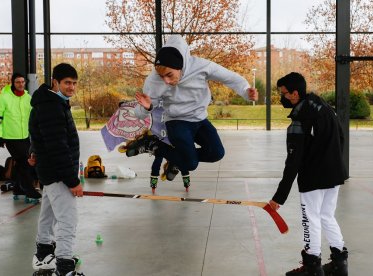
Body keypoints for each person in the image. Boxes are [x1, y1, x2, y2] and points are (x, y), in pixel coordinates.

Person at [124, 35, 258, 178]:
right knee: (190, 164)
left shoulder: (202, 66)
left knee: (217, 153)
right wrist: (148, 107)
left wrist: (245, 91)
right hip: (177, 121)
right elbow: (140, 112)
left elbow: (230, 78)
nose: (166, 81)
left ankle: (177, 159)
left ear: (180, 66)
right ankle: (152, 143)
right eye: (162, 76)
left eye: (169, 75)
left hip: (200, 119)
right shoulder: (153, 80)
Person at [268, 72, 348, 276]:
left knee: (310, 218)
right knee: (326, 215)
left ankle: (312, 266)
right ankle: (340, 263)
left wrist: (279, 197)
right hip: (334, 173)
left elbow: (293, 161)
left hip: (313, 177)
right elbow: (341, 136)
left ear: (295, 93)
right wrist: (337, 165)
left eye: (284, 93)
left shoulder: (300, 118)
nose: (282, 97)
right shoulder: (323, 106)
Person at [29, 63, 85, 276]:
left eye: (74, 83)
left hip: (49, 171)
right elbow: (58, 147)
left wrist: (33, 151)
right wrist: (73, 181)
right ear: (55, 82)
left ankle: (43, 256)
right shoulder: (52, 105)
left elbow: (37, 131)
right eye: (67, 83)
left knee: (48, 214)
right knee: (68, 220)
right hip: (58, 172)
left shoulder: (49, 102)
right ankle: (64, 268)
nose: (71, 87)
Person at [0, 73, 41, 200]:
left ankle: (18, 189)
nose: (20, 84)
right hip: (10, 137)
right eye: (18, 82)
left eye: (22, 82)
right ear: (13, 83)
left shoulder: (27, 97)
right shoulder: (3, 98)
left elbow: (33, 115)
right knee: (25, 161)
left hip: (24, 136)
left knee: (21, 163)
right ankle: (28, 189)